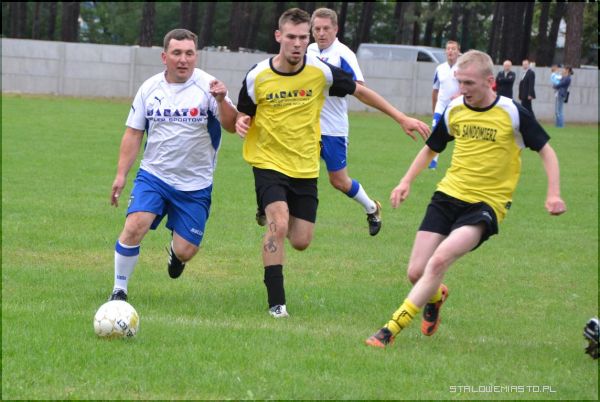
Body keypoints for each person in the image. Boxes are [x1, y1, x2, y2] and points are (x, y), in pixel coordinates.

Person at [235, 8, 430, 318]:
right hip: (268, 161)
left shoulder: (321, 71)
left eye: (302, 37)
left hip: (305, 165)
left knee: (301, 240)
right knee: (278, 224)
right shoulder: (257, 74)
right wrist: (241, 120)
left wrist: (400, 117)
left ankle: (273, 211)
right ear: (278, 36)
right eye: (291, 37)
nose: (298, 43)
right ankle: (277, 304)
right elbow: (243, 112)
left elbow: (360, 91)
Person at [365, 50, 566, 348]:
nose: (463, 89)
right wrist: (405, 181)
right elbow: (432, 147)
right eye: (460, 82)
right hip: (447, 195)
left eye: (469, 83)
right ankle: (436, 297)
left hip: (486, 205)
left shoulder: (512, 112)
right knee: (417, 272)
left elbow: (546, 151)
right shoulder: (455, 108)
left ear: (489, 81)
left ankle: (389, 330)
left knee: (439, 260)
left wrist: (554, 193)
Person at [107, 29, 237, 302]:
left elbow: (231, 125)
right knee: (135, 226)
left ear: (196, 56)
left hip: (195, 184)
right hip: (154, 175)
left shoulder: (210, 87)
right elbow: (133, 132)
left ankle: (176, 256)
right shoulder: (149, 88)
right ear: (164, 57)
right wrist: (121, 175)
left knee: (186, 250)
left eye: (189, 53)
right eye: (177, 53)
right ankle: (119, 291)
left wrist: (221, 100)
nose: (183, 59)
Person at [305, 8, 381, 236]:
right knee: (292, 168)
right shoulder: (308, 50)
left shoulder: (343, 54)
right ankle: (273, 206)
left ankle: (372, 207)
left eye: (326, 28)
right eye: (317, 29)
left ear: (336, 29)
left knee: (339, 181)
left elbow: (360, 87)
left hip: (333, 129)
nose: (321, 33)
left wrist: (331, 80)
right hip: (307, 125)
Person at [428, 40, 461, 170]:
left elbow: (468, 87)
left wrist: (459, 95)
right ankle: (433, 163)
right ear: (445, 52)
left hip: (457, 107)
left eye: (453, 49)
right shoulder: (440, 69)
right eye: (448, 49)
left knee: (459, 135)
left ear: (458, 52)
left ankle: (459, 164)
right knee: (435, 131)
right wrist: (434, 109)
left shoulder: (462, 68)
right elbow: (435, 90)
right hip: (441, 106)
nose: (450, 51)